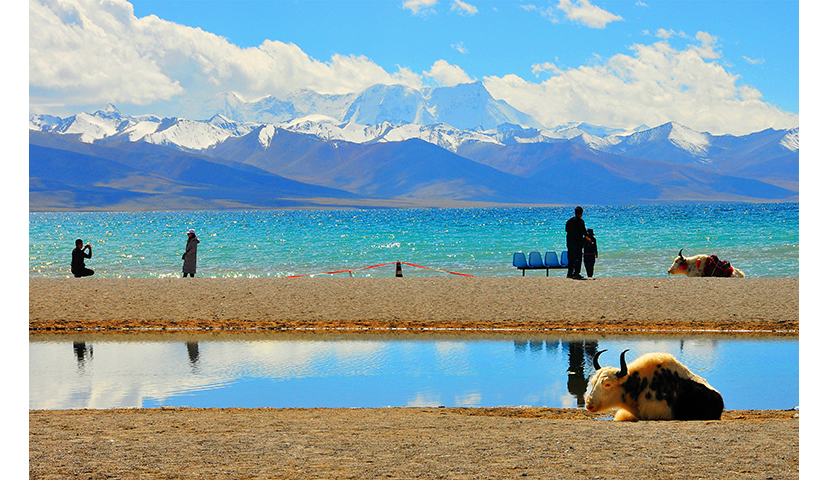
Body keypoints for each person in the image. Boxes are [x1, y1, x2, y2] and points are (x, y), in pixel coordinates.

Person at [565, 206, 587, 279]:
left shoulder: (569, 221)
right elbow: (584, 232)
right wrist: (587, 237)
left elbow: (566, 230)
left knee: (571, 258)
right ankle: (576, 273)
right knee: (578, 258)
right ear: (581, 214)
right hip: (577, 242)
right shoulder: (581, 222)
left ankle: (570, 273)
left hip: (570, 242)